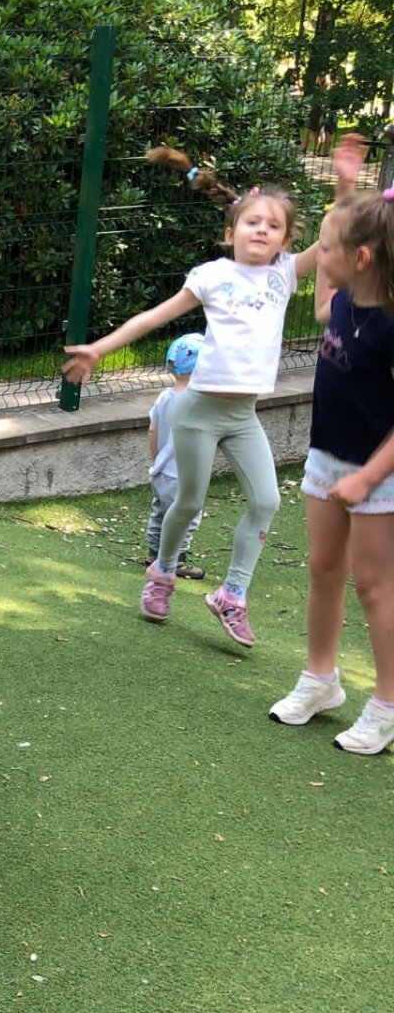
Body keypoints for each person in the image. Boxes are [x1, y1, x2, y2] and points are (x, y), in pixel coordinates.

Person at [62, 139, 367, 645]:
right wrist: (99, 348)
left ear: (285, 240)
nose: (262, 230)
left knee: (266, 501)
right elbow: (153, 316)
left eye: (273, 226)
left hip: (244, 416)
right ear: (230, 233)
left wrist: (345, 184)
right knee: (188, 501)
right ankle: (162, 571)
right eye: (253, 222)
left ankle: (233, 594)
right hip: (197, 413)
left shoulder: (285, 274)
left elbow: (337, 232)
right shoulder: (211, 276)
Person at [270, 177, 394, 753]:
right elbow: (321, 303)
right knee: (323, 570)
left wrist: (367, 477)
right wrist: (345, 193)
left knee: (374, 586)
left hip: (379, 474)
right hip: (327, 457)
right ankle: (321, 679)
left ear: (361, 258)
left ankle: (387, 705)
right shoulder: (343, 301)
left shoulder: (390, 325)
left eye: (325, 248)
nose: (317, 256)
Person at [147, 333, 206, 579]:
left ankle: (153, 553)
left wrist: (157, 458)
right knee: (187, 515)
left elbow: (153, 430)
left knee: (160, 511)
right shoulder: (197, 402)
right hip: (183, 474)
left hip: (161, 470)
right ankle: (176, 560)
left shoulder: (164, 397)